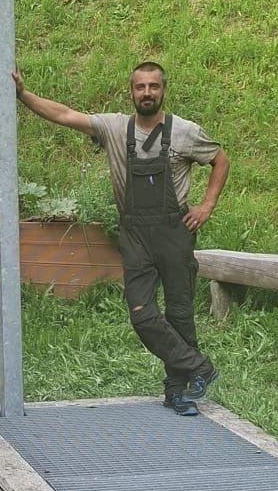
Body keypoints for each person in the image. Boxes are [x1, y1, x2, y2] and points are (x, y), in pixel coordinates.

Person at [13, 61, 229, 416]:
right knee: (142, 314)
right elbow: (65, 115)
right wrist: (23, 95)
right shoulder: (114, 128)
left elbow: (221, 160)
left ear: (164, 90)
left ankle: (177, 392)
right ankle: (199, 367)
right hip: (135, 234)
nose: (147, 93)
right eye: (140, 87)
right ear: (131, 92)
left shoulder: (185, 132)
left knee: (179, 314)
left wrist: (206, 206)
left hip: (174, 233)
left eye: (154, 86)